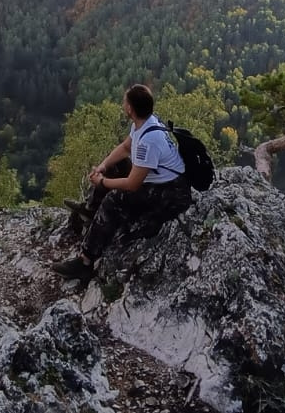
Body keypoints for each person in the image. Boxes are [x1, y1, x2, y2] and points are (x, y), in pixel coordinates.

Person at [51, 84, 192, 280]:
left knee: (113, 200)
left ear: (130, 109)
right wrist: (102, 167)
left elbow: (133, 185)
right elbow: (126, 147)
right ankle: (93, 212)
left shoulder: (148, 141)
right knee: (117, 166)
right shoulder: (147, 122)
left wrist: (103, 183)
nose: (123, 104)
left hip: (171, 192)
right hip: (164, 179)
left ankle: (85, 261)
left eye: (125, 102)